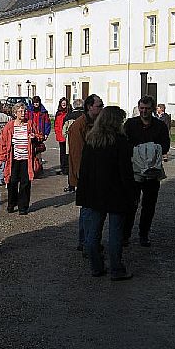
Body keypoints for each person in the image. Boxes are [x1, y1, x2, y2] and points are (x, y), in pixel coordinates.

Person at [77, 106, 135, 280]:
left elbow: (84, 170)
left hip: (95, 192)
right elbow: (126, 171)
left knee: (93, 232)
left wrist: (83, 192)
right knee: (115, 233)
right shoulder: (120, 141)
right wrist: (131, 193)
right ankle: (116, 269)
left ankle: (96, 266)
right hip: (116, 192)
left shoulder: (91, 140)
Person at [123, 95, 170, 247]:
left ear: (153, 109)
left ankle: (144, 234)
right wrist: (139, 151)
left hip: (152, 172)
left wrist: (151, 151)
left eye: (147, 108)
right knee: (130, 204)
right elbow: (124, 144)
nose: (144, 111)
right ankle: (125, 235)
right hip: (135, 170)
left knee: (149, 205)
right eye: (141, 108)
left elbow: (166, 146)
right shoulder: (130, 124)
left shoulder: (160, 126)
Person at [67, 94, 104, 251]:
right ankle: (85, 242)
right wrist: (82, 177)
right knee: (88, 210)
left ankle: (91, 240)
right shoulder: (79, 126)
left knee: (93, 210)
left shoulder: (98, 123)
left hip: (96, 174)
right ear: (90, 107)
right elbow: (77, 154)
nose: (101, 108)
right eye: (99, 105)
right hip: (86, 176)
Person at [0, 102, 40, 215]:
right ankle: (11, 203)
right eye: (20, 111)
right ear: (15, 113)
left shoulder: (30, 124)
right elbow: (3, 142)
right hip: (13, 159)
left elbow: (40, 137)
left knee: (25, 183)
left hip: (27, 158)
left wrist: (34, 137)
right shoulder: (9, 126)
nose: (23, 113)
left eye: (24, 111)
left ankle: (23, 207)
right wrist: (1, 158)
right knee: (12, 181)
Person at [54, 97, 72, 176]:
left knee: (68, 153)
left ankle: (68, 168)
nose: (63, 105)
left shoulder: (69, 113)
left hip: (68, 135)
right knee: (62, 153)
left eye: (65, 103)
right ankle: (63, 168)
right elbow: (56, 124)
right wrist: (57, 132)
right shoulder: (58, 113)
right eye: (62, 103)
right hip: (60, 136)